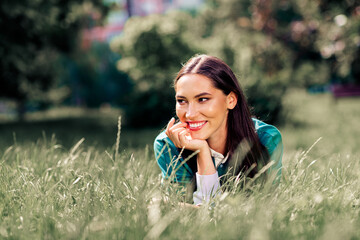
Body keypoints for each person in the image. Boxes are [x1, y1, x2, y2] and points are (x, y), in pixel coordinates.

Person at [153, 54, 283, 205]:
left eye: (202, 99)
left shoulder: (266, 139)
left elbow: (263, 211)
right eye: (182, 101)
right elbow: (181, 219)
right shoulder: (168, 145)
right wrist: (202, 151)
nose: (190, 114)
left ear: (230, 100)